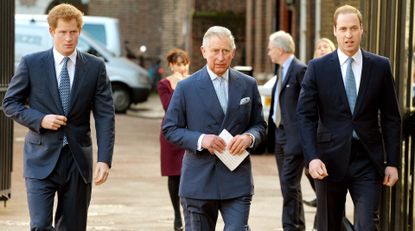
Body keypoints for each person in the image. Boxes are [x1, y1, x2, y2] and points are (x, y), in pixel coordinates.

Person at [2, 4, 115, 230]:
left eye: (73, 32)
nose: (68, 38)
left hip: (77, 161)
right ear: (52, 31)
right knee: (40, 225)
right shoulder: (31, 63)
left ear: (80, 31)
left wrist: (104, 158)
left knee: (72, 227)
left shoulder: (95, 67)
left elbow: (105, 115)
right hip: (40, 158)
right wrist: (40, 119)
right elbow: (10, 103)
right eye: (63, 32)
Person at [297, 4, 401, 231]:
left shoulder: (380, 66)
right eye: (343, 29)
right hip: (328, 161)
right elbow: (305, 116)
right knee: (329, 225)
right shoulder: (317, 68)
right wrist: (312, 157)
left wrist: (392, 162)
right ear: (334, 30)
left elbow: (392, 117)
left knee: (366, 225)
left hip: (368, 160)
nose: (348, 34)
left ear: (362, 29)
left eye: (354, 28)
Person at [162, 26, 266, 231]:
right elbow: (170, 128)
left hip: (237, 180)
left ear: (233, 52)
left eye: (226, 51)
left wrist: (250, 137)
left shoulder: (248, 85)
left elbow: (260, 125)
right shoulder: (186, 87)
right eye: (215, 51)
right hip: (198, 181)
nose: (220, 57)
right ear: (203, 51)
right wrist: (201, 140)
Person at [266, 30, 307, 230]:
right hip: (280, 135)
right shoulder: (281, 70)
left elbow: (310, 106)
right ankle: (297, 225)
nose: (268, 52)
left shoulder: (300, 70)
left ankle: (290, 227)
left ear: (280, 49)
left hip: (294, 138)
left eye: (270, 48)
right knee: (289, 186)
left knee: (289, 185)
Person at [157, 48, 190, 231]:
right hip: (170, 134)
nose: (181, 67)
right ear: (171, 65)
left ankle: (188, 213)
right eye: (177, 64)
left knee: (189, 173)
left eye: (184, 63)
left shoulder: (194, 82)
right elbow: (169, 107)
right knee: (174, 175)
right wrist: (177, 86)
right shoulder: (164, 84)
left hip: (189, 132)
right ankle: (177, 216)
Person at [303, 37, 336, 209]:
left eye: (326, 46)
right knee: (312, 172)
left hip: (332, 135)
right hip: (314, 132)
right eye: (319, 47)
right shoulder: (311, 70)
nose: (322, 49)